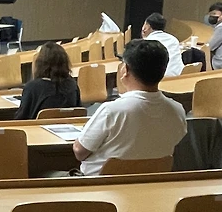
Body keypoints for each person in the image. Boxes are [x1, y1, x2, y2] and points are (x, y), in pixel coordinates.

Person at [73, 40, 188, 176]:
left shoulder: (111, 111)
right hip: (152, 183)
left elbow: (79, 152)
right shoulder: (178, 110)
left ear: (125, 70)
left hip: (99, 184)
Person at [14, 43, 82, 120]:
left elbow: (21, 118)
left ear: (40, 63)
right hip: (69, 126)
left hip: (38, 127)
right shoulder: (72, 85)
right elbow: (79, 112)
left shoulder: (32, 87)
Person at [141, 13, 184, 78]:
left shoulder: (147, 42)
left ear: (147, 26)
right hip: (178, 77)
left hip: (158, 79)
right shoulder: (173, 39)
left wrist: (144, 36)